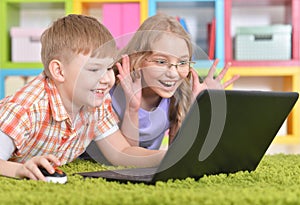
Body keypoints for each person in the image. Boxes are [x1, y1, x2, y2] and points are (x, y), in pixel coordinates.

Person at [0, 14, 165, 182]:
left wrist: (166, 156)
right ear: (59, 71)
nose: (107, 79)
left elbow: (121, 152)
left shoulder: (95, 102)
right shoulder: (25, 109)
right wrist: (20, 169)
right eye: (94, 70)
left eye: (109, 68)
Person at [83, 14, 239, 163]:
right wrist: (132, 107)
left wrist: (196, 107)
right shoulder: (106, 91)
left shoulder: (177, 96)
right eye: (161, 62)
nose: (173, 73)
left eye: (182, 63)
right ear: (138, 60)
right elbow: (126, 154)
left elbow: (177, 153)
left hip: (142, 163)